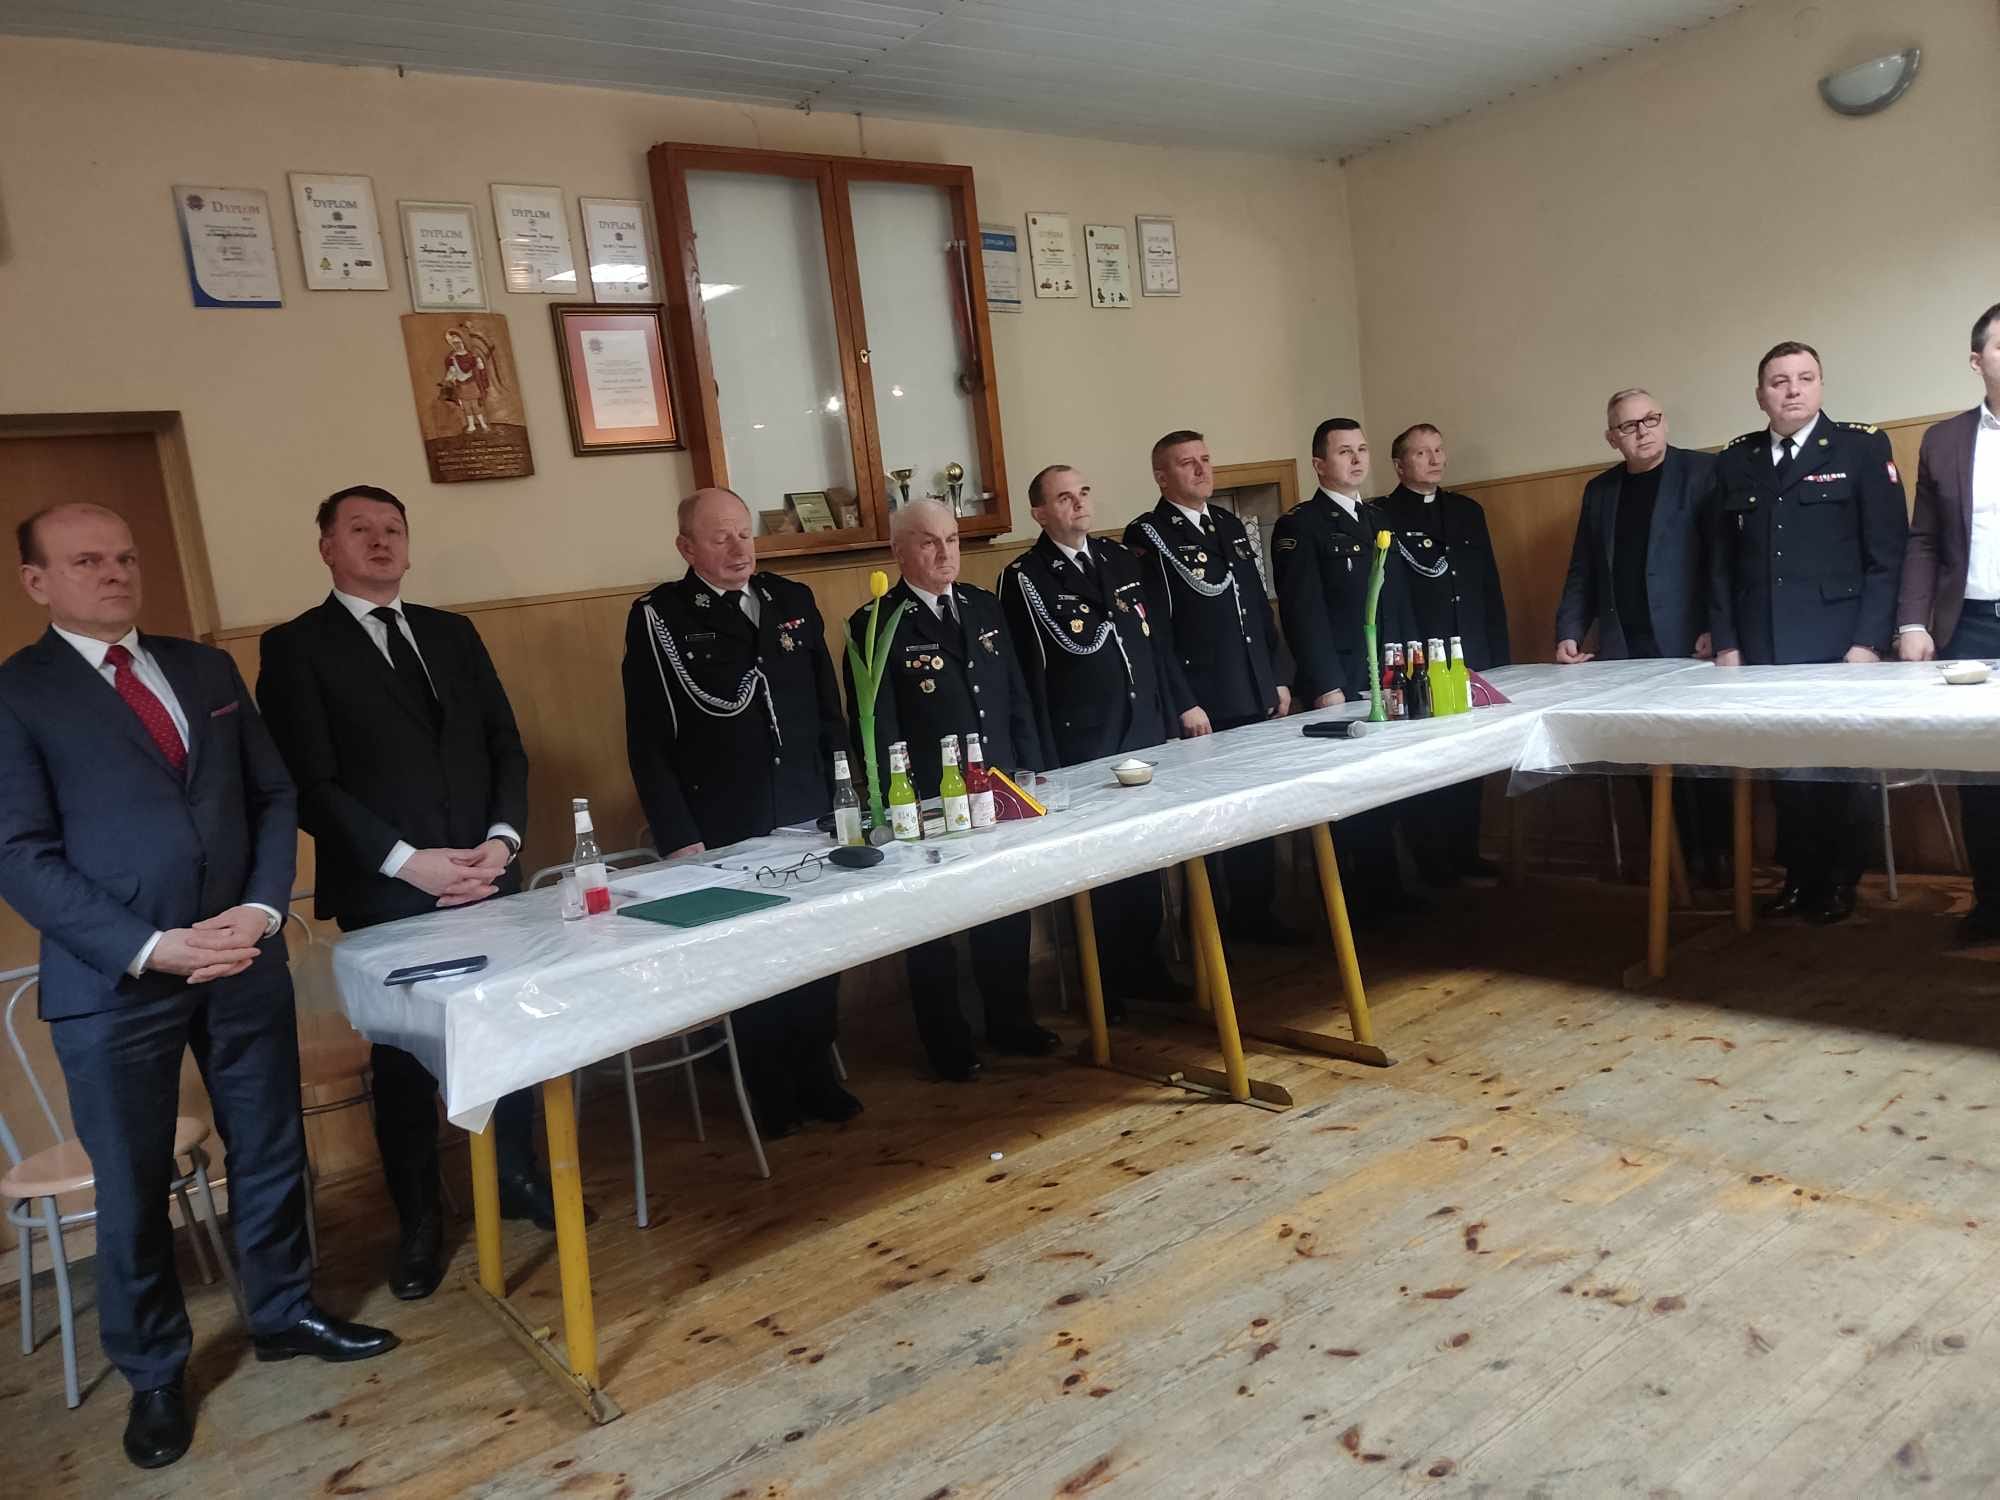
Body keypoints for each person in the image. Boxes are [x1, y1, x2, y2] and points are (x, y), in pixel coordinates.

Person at [0, 503, 395, 1471]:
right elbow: (18, 852)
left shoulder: (205, 669)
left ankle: (285, 1312)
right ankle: (154, 1374)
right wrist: (149, 945)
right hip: (116, 979)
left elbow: (272, 795)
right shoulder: (16, 694)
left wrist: (260, 910)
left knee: (269, 1147)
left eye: (124, 556)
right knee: (134, 1184)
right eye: (86, 560)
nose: (114, 572)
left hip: (240, 955)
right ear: (37, 582)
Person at [257, 484, 570, 1305]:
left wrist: (502, 840)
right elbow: (311, 784)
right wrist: (408, 863)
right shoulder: (296, 647)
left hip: (486, 876)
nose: (381, 541)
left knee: (510, 1028)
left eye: (393, 528)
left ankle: (518, 1178)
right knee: (402, 1064)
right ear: (327, 547)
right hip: (388, 892)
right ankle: (421, 1221)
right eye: (360, 529)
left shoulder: (451, 632)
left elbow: (505, 746)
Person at [624, 487, 857, 1136]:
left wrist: (847, 794)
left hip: (806, 807)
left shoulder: (791, 600)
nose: (738, 548)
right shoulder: (661, 617)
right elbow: (647, 740)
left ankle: (817, 1073)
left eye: (744, 533)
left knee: (817, 946)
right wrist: (678, 834)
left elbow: (828, 712)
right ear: (687, 548)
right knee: (752, 957)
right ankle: (768, 1089)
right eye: (720, 537)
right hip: (727, 819)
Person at [843, 499, 1059, 1079]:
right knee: (932, 922)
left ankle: (1011, 1020)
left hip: (995, 784)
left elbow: (1014, 693)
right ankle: (947, 1042)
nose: (945, 554)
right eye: (929, 542)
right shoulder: (876, 624)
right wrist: (895, 799)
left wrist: (1030, 765)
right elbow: (875, 724)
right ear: (899, 552)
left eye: (953, 540)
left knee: (1005, 905)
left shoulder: (982, 606)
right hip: (927, 798)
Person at [1708, 340, 1908, 924]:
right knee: (1786, 770)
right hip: (1763, 645)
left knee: (1842, 767)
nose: (1792, 390)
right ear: (1760, 395)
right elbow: (1718, 563)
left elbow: (1887, 555)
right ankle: (1799, 877)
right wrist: (1727, 640)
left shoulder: (1861, 447)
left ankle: (1841, 880)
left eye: (1805, 378)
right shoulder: (1736, 459)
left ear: (1821, 385)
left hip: (1839, 644)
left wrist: (1868, 641)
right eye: (1779, 381)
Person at [1001, 464, 1190, 1010]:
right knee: (1101, 868)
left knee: (1146, 857)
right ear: (1039, 513)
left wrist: (1170, 714)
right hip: (1084, 740)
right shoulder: (1026, 576)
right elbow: (1029, 675)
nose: (1079, 503)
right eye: (1064, 498)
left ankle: (1147, 965)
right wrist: (1040, 758)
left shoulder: (1117, 558)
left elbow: (1152, 644)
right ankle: (1105, 982)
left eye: (1083, 492)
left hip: (1142, 730)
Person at [1124, 430, 1296, 942]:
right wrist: (1184, 701)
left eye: (1205, 459)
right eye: (1187, 463)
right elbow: (1155, 634)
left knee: (1255, 812)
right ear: (1161, 477)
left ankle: (1256, 914)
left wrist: (1276, 676)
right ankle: (1214, 929)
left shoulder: (1227, 525)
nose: (1202, 470)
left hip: (1251, 690)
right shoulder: (1149, 534)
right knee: (1215, 821)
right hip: (1205, 701)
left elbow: (1256, 606)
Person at [1554, 391, 1727, 881]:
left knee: (1704, 760)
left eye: (1651, 419)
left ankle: (1717, 862)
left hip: (1691, 646)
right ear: (1612, 438)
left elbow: (1723, 560)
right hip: (1625, 650)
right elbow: (1583, 568)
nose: (1643, 431)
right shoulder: (1600, 491)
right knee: (1646, 761)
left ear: (1664, 422)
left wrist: (1717, 625)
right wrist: (1569, 630)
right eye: (1629, 426)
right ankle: (1670, 866)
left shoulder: (1703, 472)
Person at [1272, 417, 1423, 918]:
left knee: (1389, 784)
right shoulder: (1301, 526)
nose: (1357, 459)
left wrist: (1407, 665)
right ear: (1319, 464)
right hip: (1342, 677)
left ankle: (1390, 889)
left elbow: (1396, 602)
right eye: (1344, 452)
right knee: (1352, 794)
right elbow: (1304, 613)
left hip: (1386, 671)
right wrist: (1327, 684)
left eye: (1362, 449)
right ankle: (1355, 902)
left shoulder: (1378, 518)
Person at [1896, 303, 2000, 940]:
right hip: (1973, 628)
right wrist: (1913, 621)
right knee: (1982, 776)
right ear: (1976, 361)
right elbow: (1925, 540)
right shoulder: (1944, 441)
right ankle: (1992, 903)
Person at [1378, 424, 1510, 882]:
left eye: (1438, 450)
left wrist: (1498, 655)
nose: (1434, 459)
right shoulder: (1383, 516)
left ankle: (1464, 850)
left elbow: (1488, 587)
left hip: (1469, 653)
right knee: (1426, 763)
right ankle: (1430, 860)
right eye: (1421, 453)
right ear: (1399, 465)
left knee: (1470, 759)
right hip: (1419, 658)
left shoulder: (1467, 511)